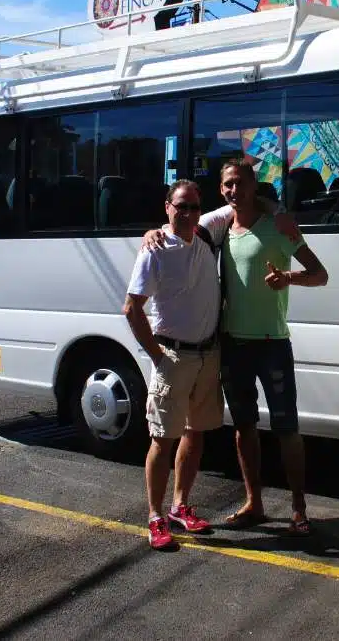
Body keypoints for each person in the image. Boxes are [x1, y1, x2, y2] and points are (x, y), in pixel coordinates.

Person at [149, 159, 328, 536]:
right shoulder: (220, 230)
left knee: (287, 429)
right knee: (244, 427)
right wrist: (156, 230)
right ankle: (254, 503)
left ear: (254, 186)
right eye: (228, 185)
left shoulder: (279, 227)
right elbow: (180, 222)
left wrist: (289, 278)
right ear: (222, 190)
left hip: (272, 343)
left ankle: (298, 509)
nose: (234, 191)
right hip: (232, 345)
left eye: (240, 184)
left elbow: (320, 275)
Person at [122, 179, 225, 550]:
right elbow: (132, 307)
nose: (188, 213)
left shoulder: (205, 237)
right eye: (180, 206)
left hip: (206, 355)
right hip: (174, 355)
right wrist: (156, 355)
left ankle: (181, 506)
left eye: (194, 207)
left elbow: (242, 200)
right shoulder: (155, 249)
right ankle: (155, 516)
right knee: (162, 440)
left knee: (194, 433)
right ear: (167, 207)